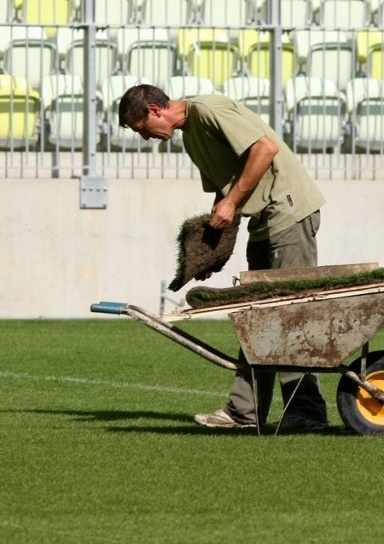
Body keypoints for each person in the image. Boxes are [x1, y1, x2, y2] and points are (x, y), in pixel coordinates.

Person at [119, 84, 328, 431]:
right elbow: (227, 186)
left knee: (290, 313)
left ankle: (306, 412)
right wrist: (215, 246)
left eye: (141, 128)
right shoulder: (191, 137)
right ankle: (244, 413)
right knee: (255, 314)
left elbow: (265, 149)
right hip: (265, 220)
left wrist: (231, 205)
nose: (144, 138)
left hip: (289, 212)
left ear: (155, 110)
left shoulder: (209, 110)